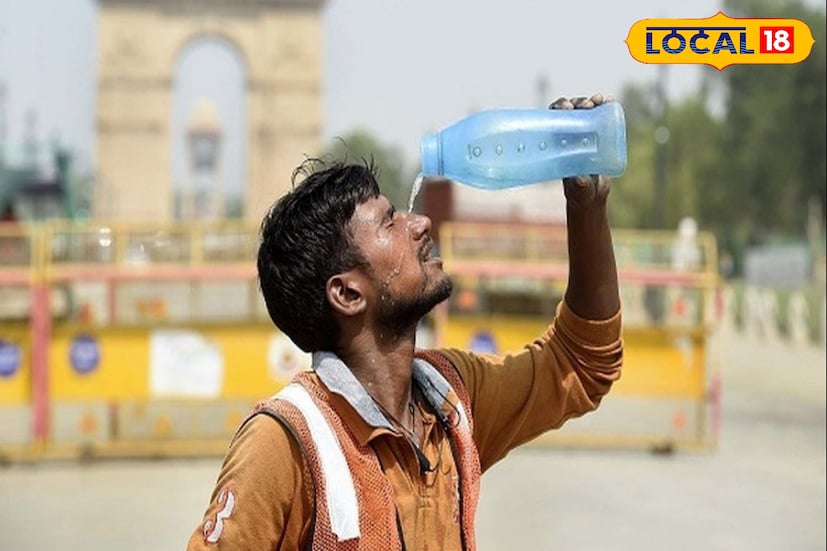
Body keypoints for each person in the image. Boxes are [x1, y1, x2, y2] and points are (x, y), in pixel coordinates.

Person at [187, 93, 623, 550]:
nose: (421, 224)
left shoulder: (453, 400)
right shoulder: (285, 444)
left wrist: (586, 206)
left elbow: (581, 364)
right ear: (348, 293)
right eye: (389, 222)